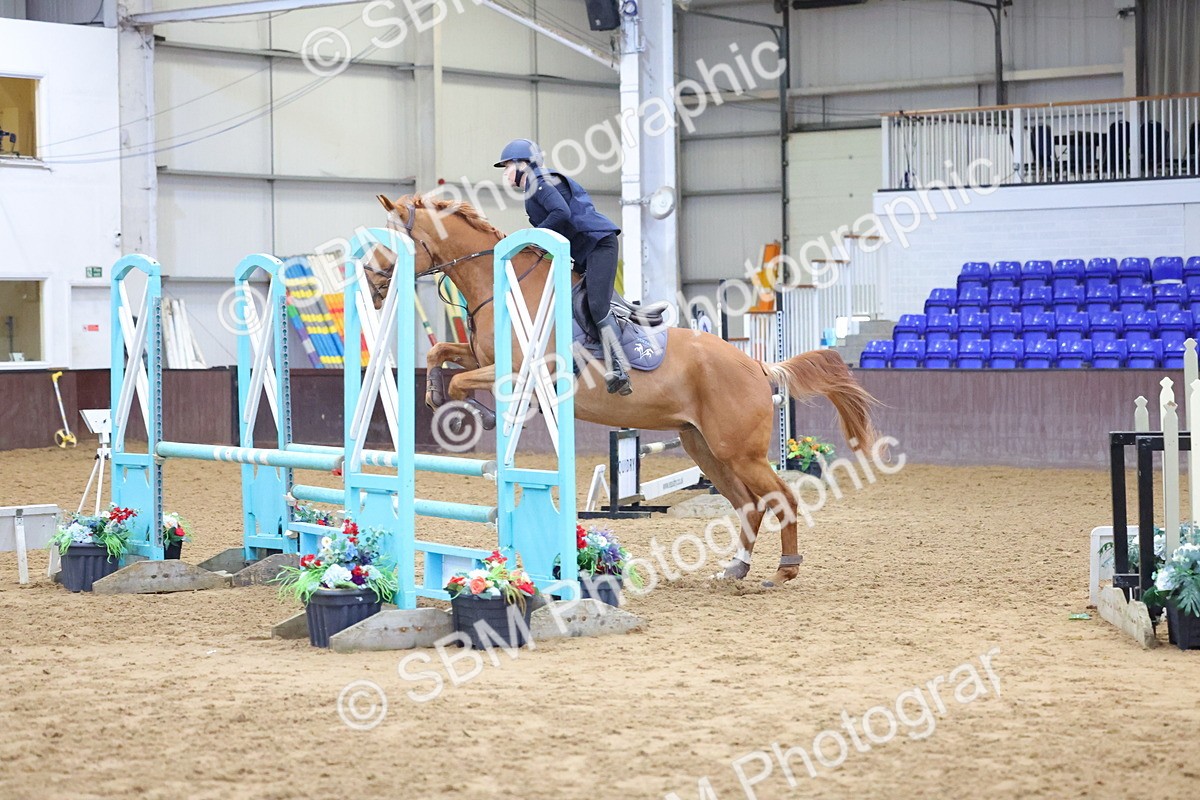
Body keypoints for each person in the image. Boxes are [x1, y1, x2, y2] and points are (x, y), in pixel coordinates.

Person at [494, 138, 632, 396]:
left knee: (596, 305)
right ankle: (574, 368)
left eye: (507, 166)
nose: (505, 173)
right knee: (570, 306)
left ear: (523, 164)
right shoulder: (534, 187)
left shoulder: (539, 181)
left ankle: (618, 368)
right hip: (583, 253)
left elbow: (561, 213)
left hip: (599, 245)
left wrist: (533, 237)